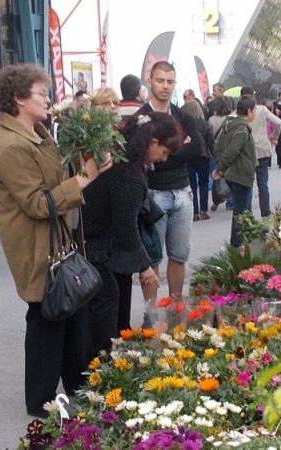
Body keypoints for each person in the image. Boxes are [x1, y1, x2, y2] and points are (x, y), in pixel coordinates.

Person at [0, 63, 113, 418]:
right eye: (42, 93)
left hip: (57, 243)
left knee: (71, 313)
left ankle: (76, 388)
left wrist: (84, 163)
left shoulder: (37, 132)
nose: (48, 99)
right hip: (37, 247)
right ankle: (41, 399)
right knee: (47, 318)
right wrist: (84, 179)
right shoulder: (12, 145)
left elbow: (55, 178)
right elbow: (37, 203)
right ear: (19, 98)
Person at [81, 112, 181, 357]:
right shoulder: (130, 176)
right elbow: (127, 228)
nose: (164, 158)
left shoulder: (120, 157)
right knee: (108, 298)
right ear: (153, 142)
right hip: (95, 244)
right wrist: (146, 267)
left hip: (97, 239)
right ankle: (103, 358)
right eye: (164, 152)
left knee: (117, 292)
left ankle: (115, 349)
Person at [135, 61, 204, 304]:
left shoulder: (183, 116)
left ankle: (176, 310)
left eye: (170, 81)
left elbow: (196, 150)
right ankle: (151, 315)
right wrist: (178, 148)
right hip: (153, 194)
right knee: (152, 259)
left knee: (179, 255)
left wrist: (161, 153)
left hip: (183, 193)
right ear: (150, 81)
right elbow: (139, 155)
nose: (165, 86)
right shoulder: (140, 118)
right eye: (160, 80)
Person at [212, 97, 257, 248]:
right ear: (249, 111)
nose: (255, 114)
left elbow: (217, 148)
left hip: (233, 174)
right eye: (254, 110)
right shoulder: (242, 129)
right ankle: (238, 243)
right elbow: (232, 150)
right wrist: (221, 168)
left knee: (242, 208)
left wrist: (221, 166)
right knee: (241, 209)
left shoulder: (229, 125)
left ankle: (246, 238)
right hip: (241, 174)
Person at [240, 87, 280, 217]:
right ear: (254, 95)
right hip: (262, 149)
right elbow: (278, 122)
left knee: (247, 184)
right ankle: (265, 211)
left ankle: (247, 214)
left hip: (245, 151)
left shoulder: (237, 113)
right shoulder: (262, 110)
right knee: (263, 183)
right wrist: (273, 136)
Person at [181, 99, 215, 221]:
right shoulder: (205, 124)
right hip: (203, 156)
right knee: (204, 183)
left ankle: (194, 212)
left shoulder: (183, 125)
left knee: (192, 185)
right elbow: (211, 142)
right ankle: (203, 210)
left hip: (188, 157)